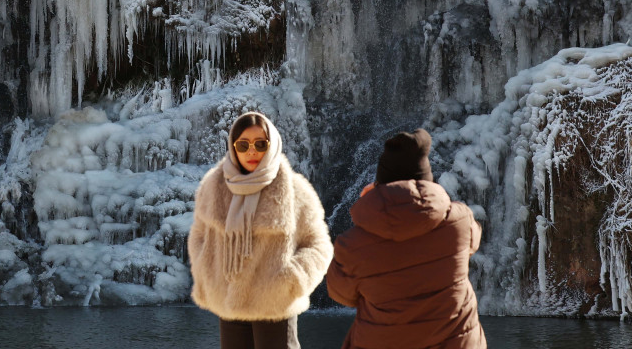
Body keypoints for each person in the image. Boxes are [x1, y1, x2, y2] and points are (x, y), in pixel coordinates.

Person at [327, 129, 487, 349]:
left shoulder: (353, 244)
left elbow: (341, 293)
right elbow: (473, 241)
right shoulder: (459, 221)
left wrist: (370, 212)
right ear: (427, 180)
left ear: (379, 184)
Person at [189, 111, 333, 349]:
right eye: (243, 145)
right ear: (233, 147)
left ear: (272, 144)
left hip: (273, 304)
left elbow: (319, 245)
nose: (252, 151)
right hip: (228, 303)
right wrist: (207, 271)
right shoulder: (213, 186)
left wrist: (292, 279)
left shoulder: (294, 189)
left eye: (260, 144)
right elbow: (199, 235)